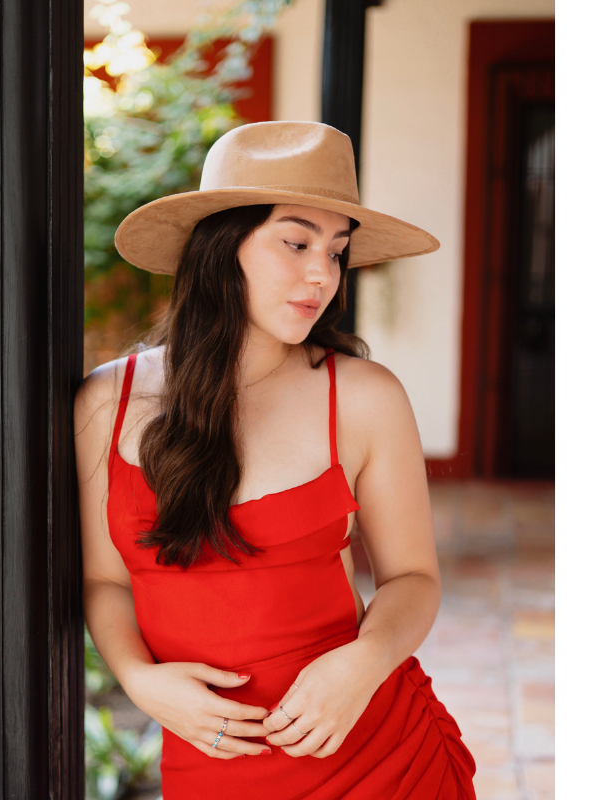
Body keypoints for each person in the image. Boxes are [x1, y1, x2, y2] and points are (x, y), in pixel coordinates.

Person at [75, 121, 477, 799]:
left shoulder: (361, 397)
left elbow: (413, 577)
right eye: (296, 242)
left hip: (378, 756)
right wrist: (139, 680)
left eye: (338, 251)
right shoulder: (103, 402)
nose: (323, 274)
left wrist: (363, 664)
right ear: (221, 247)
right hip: (210, 768)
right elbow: (105, 582)